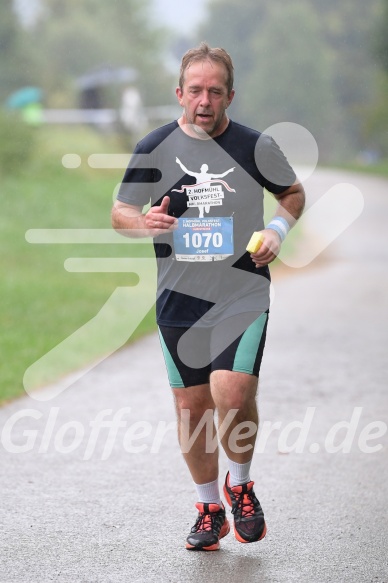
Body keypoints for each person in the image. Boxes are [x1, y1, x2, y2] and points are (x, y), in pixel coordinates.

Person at [111, 42, 305, 551]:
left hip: (242, 291)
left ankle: (239, 486)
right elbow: (120, 214)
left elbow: (293, 194)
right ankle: (209, 508)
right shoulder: (153, 147)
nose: (204, 99)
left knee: (232, 392)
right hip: (178, 297)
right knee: (192, 408)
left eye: (214, 91)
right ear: (179, 93)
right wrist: (143, 221)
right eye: (195, 90)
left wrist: (278, 232)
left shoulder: (255, 146)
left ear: (230, 97)